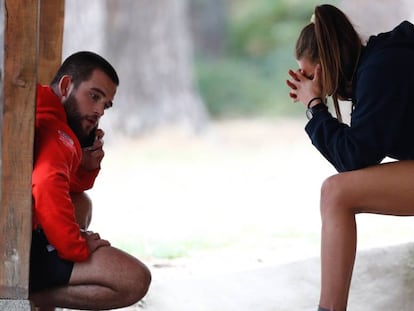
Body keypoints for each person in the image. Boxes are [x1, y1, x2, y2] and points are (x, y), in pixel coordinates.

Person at [286, 4, 414, 311]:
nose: (305, 82)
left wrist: (316, 106)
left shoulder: (382, 67)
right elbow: (358, 152)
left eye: (307, 73)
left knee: (336, 193)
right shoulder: (377, 65)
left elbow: (354, 158)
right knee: (336, 191)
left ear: (325, 62)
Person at [29, 51, 151, 310]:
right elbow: (47, 181)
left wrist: (85, 166)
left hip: (18, 224)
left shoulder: (43, 106)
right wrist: (75, 246)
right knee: (134, 280)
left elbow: (64, 184)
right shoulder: (56, 129)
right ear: (65, 86)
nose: (98, 111)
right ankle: (30, 299)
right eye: (93, 96)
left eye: (105, 105)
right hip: (15, 245)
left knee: (81, 204)